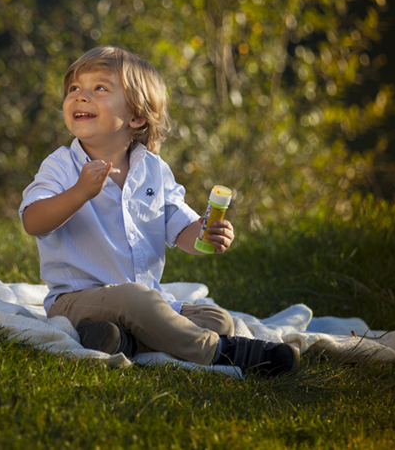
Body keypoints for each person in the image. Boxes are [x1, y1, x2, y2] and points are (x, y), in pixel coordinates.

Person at [19, 46, 299, 376]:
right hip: (76, 301)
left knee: (217, 318)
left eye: (99, 88)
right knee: (140, 302)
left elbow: (180, 229)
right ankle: (220, 353)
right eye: (74, 89)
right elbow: (33, 221)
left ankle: (122, 342)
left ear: (136, 116)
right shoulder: (61, 166)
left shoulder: (153, 169)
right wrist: (79, 193)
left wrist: (207, 233)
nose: (80, 97)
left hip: (144, 301)